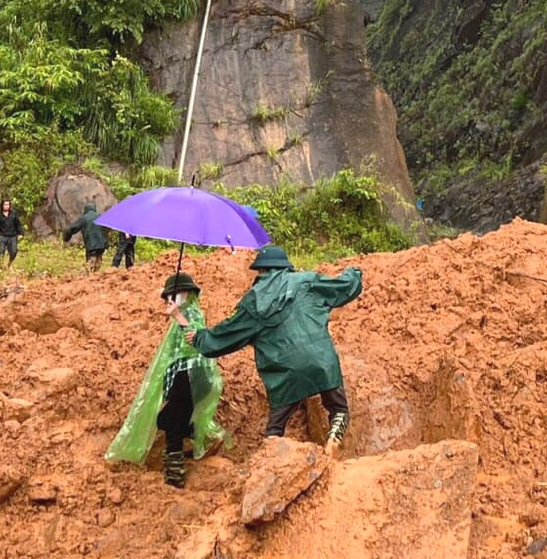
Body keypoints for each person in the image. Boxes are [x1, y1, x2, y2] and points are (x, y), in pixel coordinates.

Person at [193, 245, 362, 453]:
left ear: (262, 271)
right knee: (339, 409)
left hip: (285, 374)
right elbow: (345, 286)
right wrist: (354, 272)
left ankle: (272, 456)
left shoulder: (252, 301)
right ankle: (334, 436)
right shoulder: (306, 281)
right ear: (285, 267)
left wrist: (200, 338)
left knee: (275, 428)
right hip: (321, 362)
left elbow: (225, 336)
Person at [105, 273, 225, 487]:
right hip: (184, 377)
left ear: (188, 293)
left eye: (176, 293)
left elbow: (196, 336)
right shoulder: (184, 314)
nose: (172, 298)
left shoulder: (192, 312)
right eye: (170, 295)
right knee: (170, 418)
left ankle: (175, 472)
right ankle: (200, 437)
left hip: (190, 375)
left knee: (172, 421)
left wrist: (179, 316)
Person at [63, 202, 109, 272]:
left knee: (90, 262)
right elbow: (107, 229)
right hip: (102, 245)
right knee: (98, 261)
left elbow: (72, 228)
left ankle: (90, 278)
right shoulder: (101, 216)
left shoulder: (84, 218)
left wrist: (66, 238)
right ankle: (96, 276)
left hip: (91, 245)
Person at [0, 199, 22, 266]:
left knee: (14, 251)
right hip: (2, 236)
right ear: (2, 205)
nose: (7, 206)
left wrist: (21, 233)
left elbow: (18, 224)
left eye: (8, 204)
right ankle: (1, 265)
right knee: (0, 251)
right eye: (5, 204)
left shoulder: (14, 214)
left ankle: (9, 264)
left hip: (12, 236)